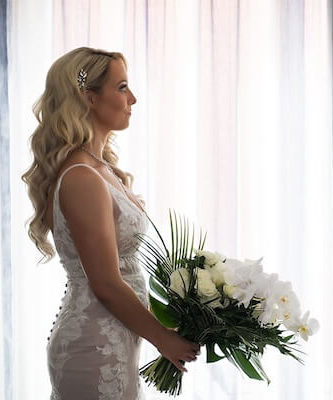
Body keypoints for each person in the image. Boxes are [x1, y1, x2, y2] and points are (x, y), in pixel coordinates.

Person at [21, 47, 200, 399]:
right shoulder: (82, 177)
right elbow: (104, 281)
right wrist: (163, 339)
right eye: (122, 87)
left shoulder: (103, 170)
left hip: (115, 339)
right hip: (94, 347)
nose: (132, 98)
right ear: (89, 98)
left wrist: (170, 323)